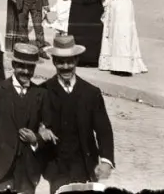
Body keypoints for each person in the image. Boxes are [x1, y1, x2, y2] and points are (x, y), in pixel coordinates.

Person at [38, 35, 115, 194]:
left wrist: (106, 161)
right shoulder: (42, 91)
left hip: (85, 164)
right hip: (57, 165)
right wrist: (40, 129)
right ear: (53, 61)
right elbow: (30, 122)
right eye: (60, 61)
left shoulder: (91, 93)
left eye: (70, 61)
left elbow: (103, 130)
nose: (65, 66)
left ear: (77, 60)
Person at [0, 43, 47, 194]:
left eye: (30, 67)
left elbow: (48, 130)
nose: (26, 71)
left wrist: (36, 139)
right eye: (21, 66)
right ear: (13, 64)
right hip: (1, 165)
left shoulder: (41, 94)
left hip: (28, 168)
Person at [98, 0, 147, 75]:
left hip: (123, 6)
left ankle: (123, 66)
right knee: (112, 34)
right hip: (113, 7)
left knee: (122, 33)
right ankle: (111, 64)